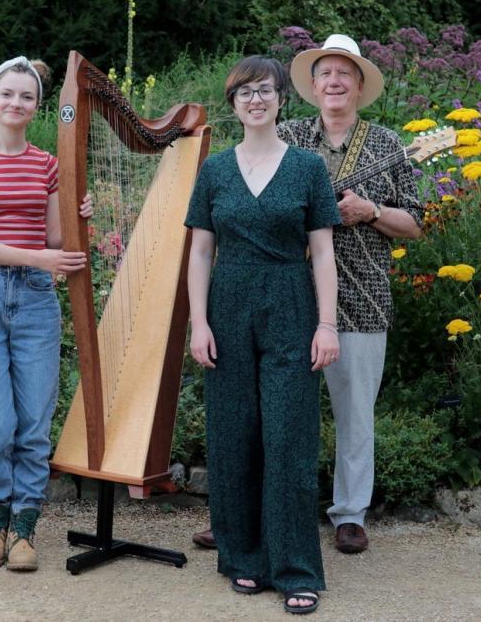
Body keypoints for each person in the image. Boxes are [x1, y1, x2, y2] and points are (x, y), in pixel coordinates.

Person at [186, 55, 340, 615]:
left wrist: (327, 324)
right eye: (245, 92)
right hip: (226, 304)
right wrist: (198, 322)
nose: (256, 100)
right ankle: (243, 558)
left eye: (265, 90)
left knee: (289, 439)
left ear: (281, 99)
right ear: (233, 103)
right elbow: (201, 251)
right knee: (233, 437)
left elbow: (322, 252)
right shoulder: (215, 171)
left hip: (291, 303)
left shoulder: (307, 168)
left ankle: (295, 567)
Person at [0, 56, 92, 571]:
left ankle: (25, 531)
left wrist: (79, 218)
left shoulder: (48, 165)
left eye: (26, 96)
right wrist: (40, 258)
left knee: (32, 425)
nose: (16, 103)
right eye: (7, 93)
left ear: (36, 106)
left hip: (34, 298)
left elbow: (57, 241)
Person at [278, 34, 423, 552]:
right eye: (325, 74)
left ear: (360, 86)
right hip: (289, 295)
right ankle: (272, 509)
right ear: (312, 86)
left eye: (345, 74)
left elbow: (415, 224)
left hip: (362, 299)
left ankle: (349, 514)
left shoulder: (389, 146)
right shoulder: (285, 135)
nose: (334, 82)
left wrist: (373, 211)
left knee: (355, 413)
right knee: (279, 410)